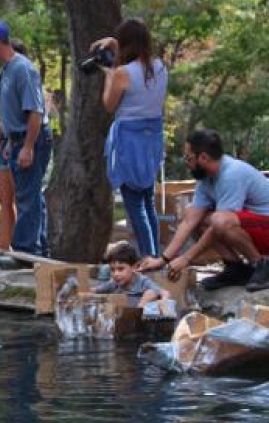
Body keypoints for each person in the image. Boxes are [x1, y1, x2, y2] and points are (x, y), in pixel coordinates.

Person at [140, 129, 269, 292]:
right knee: (192, 214)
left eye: (188, 158)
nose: (186, 162)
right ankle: (236, 269)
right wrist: (163, 260)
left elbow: (218, 226)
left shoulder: (231, 174)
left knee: (219, 220)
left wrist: (186, 258)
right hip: (256, 230)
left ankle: (262, 266)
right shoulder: (206, 179)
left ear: (203, 158)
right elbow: (190, 221)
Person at [0, 20, 52, 257]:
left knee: (26, 198)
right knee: (30, 195)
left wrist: (28, 147)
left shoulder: (22, 69)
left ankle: (27, 251)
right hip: (13, 140)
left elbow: (35, 112)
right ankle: (39, 248)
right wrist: (2, 144)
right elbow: (8, 115)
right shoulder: (5, 69)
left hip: (31, 139)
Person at [91, 18, 168, 258]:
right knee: (147, 203)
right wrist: (114, 43)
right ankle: (155, 255)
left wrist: (109, 75)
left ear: (125, 44)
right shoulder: (160, 67)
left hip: (129, 140)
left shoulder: (122, 73)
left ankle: (148, 257)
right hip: (152, 137)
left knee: (134, 205)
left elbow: (109, 105)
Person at [0, 38, 29, 255]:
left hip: (20, 142)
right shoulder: (2, 78)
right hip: (4, 143)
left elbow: (28, 116)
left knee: (23, 197)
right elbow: (1, 116)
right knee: (4, 197)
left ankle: (24, 244)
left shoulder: (25, 76)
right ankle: (4, 243)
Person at [94, 241, 169, 307]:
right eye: (112, 270)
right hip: (123, 316)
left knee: (151, 293)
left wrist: (162, 301)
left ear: (134, 267)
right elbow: (96, 290)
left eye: (121, 269)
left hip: (140, 316)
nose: (115, 274)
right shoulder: (114, 283)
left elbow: (164, 293)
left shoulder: (142, 281)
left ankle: (137, 313)